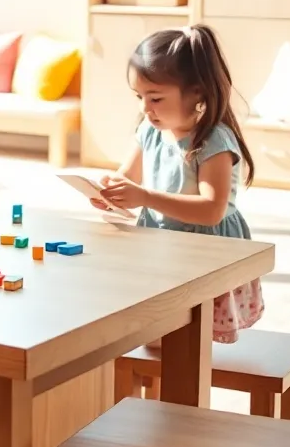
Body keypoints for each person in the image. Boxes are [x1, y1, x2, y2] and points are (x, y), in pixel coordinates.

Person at [97, 24, 264, 343]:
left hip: (203, 251)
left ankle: (177, 390)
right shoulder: (149, 130)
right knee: (153, 335)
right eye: (140, 97)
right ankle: (154, 387)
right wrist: (109, 192)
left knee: (186, 342)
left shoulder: (214, 140)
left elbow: (211, 210)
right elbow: (126, 178)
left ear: (197, 91)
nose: (146, 108)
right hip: (162, 245)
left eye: (156, 98)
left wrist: (143, 195)